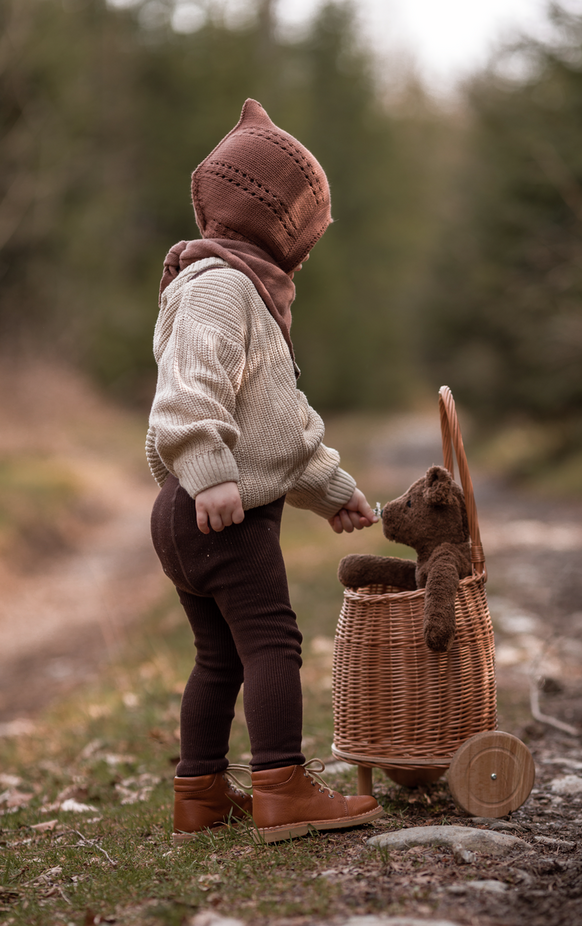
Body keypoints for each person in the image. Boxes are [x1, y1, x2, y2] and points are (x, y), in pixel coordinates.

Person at [147, 98, 383, 843]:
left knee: (219, 658)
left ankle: (202, 794)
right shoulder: (221, 285)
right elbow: (192, 385)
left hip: (194, 510)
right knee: (272, 644)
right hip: (218, 509)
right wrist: (210, 467)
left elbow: (278, 430)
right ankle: (282, 786)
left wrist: (333, 492)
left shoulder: (241, 287)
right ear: (283, 221)